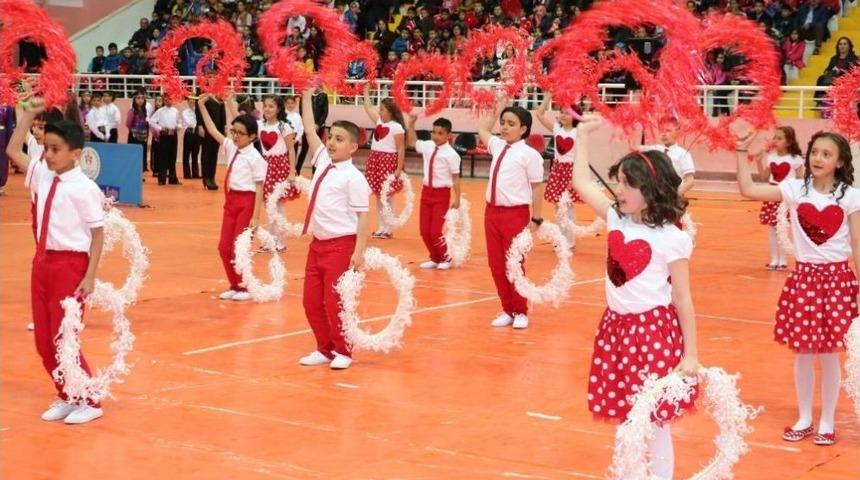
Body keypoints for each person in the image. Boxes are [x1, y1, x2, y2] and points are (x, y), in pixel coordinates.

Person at [573, 113, 700, 479]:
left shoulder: (672, 238)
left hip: (652, 333)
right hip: (615, 330)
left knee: (655, 421)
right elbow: (581, 182)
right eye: (618, 181)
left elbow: (683, 299)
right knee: (623, 414)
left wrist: (691, 354)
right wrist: (581, 138)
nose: (619, 190)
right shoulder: (617, 218)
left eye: (628, 184)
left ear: (652, 189)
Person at [6, 98, 107, 424]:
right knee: (43, 342)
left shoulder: (84, 188)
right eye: (46, 148)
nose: (47, 155)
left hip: (70, 266)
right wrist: (29, 115)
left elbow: (97, 234)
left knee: (64, 340)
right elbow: (12, 150)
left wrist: (89, 275)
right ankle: (67, 394)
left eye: (55, 149)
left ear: (75, 154)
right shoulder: (43, 175)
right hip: (42, 263)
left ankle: (90, 400)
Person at [297, 88, 371, 370]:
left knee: (334, 301)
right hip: (317, 244)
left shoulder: (353, 177)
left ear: (352, 147)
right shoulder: (322, 160)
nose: (331, 143)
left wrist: (359, 252)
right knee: (311, 302)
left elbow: (363, 216)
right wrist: (306, 97)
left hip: (340, 246)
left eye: (339, 140)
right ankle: (324, 348)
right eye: (330, 137)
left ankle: (343, 350)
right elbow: (309, 128)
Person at [477, 97, 545, 330]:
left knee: (514, 264)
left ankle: (520, 310)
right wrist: (496, 108)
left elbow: (537, 187)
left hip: (515, 215)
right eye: (503, 122)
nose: (505, 127)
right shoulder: (497, 145)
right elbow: (483, 129)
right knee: (496, 265)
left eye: (511, 123)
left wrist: (536, 218)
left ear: (523, 129)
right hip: (491, 214)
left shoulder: (529, 155)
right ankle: (507, 309)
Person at [197, 94, 267, 302]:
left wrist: (256, 216)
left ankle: (245, 287)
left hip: (247, 202)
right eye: (233, 131)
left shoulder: (255, 158)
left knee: (240, 248)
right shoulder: (231, 147)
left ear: (252, 137)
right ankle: (234, 285)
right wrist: (201, 106)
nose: (235, 136)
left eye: (240, 133)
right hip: (231, 201)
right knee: (224, 247)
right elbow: (212, 130)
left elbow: (259, 187)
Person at [406, 114, 462, 270]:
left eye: (440, 133)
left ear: (448, 135)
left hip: (441, 195)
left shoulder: (452, 155)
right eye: (434, 132)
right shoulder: (427, 146)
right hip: (426, 193)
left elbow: (456, 178)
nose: (436, 136)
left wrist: (457, 198)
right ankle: (435, 257)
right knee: (424, 231)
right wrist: (411, 124)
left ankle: (446, 257)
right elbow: (412, 142)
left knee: (435, 231)